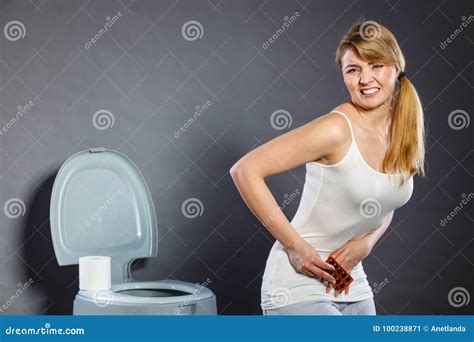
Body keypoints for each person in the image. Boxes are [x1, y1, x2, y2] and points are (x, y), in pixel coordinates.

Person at [229, 21, 425, 315]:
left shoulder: (401, 131)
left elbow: (386, 199)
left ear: (396, 67)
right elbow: (245, 170)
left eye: (376, 65)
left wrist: (367, 243)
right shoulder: (336, 129)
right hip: (297, 286)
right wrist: (295, 247)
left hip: (351, 282)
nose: (365, 79)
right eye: (353, 69)